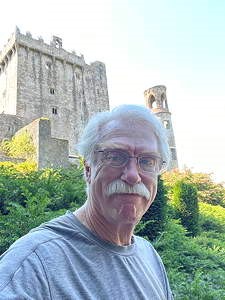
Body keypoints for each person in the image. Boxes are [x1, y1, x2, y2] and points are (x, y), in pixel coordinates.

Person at [0, 104, 173, 299]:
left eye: (148, 161)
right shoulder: (33, 263)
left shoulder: (149, 255)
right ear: (88, 169)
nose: (133, 175)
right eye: (115, 156)